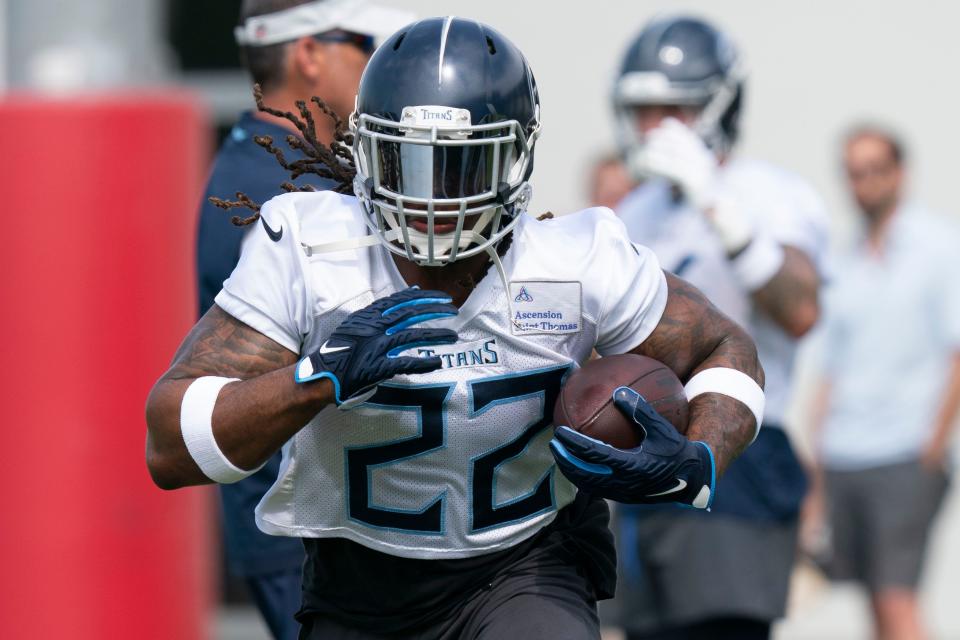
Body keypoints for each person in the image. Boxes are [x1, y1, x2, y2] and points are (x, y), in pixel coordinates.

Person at [148, 17, 765, 639]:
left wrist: (699, 458)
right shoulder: (309, 249)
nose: (432, 197)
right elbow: (169, 447)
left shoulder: (578, 259)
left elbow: (726, 347)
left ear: (517, 157)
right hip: (357, 585)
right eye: (406, 160)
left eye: (460, 165)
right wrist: (315, 378)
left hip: (525, 568)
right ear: (365, 150)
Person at [195, 1, 410, 638]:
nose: (386, 70)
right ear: (308, 53)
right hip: (304, 530)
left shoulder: (284, 170)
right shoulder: (277, 194)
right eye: (370, 46)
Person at [611, 15, 829, 640]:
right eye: (644, 108)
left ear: (717, 104)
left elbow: (801, 310)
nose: (655, 125)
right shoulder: (636, 209)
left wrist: (722, 210)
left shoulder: (768, 193)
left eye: (672, 106)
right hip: (644, 463)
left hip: (739, 453)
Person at [804, 125, 959, 640]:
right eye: (854, 172)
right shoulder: (843, 262)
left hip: (904, 454)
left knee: (897, 604)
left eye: (875, 170)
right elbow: (830, 371)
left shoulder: (939, 248)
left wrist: (931, 445)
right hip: (848, 454)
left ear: (900, 173)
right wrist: (819, 470)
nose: (864, 183)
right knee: (875, 603)